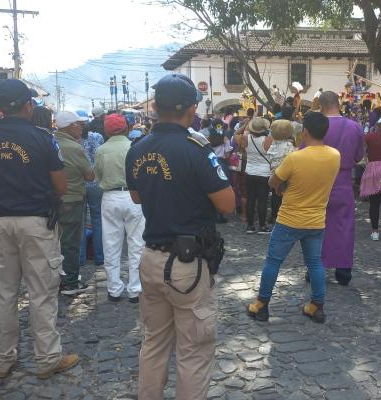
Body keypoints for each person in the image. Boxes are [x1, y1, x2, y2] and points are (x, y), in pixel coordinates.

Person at [125, 73, 234, 400]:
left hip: (151, 258)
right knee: (193, 350)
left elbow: (136, 198)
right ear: (191, 109)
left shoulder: (137, 147)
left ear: (155, 107)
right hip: (188, 265)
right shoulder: (196, 148)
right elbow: (227, 204)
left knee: (154, 343)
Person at [0, 79, 79, 380]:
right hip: (35, 223)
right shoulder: (43, 138)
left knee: (3, 293)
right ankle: (47, 360)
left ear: (0, 107)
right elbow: (60, 185)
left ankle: (2, 361)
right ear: (28, 105)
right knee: (42, 293)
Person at [247, 112, 340, 323]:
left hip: (289, 219)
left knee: (273, 261)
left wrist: (282, 186)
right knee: (315, 263)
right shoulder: (335, 155)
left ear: (305, 131)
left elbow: (273, 181)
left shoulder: (295, 158)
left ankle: (261, 305)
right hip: (316, 220)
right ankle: (316, 306)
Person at [94, 114, 143, 303]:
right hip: (133, 197)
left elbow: (98, 175)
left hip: (110, 197)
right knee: (136, 244)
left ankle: (114, 289)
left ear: (106, 131)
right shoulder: (134, 147)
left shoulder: (101, 150)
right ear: (127, 128)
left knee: (111, 244)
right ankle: (135, 289)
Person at [318, 91, 364, 286]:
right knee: (344, 226)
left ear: (321, 106)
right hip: (344, 181)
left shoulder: (317, 127)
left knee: (317, 226)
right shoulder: (355, 127)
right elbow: (358, 155)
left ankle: (316, 268)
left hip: (319, 182)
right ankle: (343, 271)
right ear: (338, 104)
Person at [53, 110, 94, 295]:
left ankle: (57, 278)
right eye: (80, 125)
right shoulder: (73, 148)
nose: (82, 128)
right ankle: (70, 282)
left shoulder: (51, 142)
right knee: (70, 243)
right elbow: (89, 175)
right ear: (71, 127)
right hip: (72, 199)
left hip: (52, 200)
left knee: (55, 241)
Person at [235, 116, 273, 234]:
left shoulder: (246, 138)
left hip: (250, 172)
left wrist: (244, 124)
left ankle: (250, 226)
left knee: (251, 199)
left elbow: (236, 134)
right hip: (264, 173)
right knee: (262, 200)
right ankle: (262, 226)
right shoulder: (268, 140)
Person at [79, 114, 106, 269]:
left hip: (80, 183)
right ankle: (99, 257)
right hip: (95, 182)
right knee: (97, 220)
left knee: (81, 222)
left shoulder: (72, 140)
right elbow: (98, 157)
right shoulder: (96, 138)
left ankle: (81, 258)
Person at [266, 119, 295, 223]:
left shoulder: (273, 145)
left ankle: (274, 215)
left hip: (274, 173)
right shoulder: (288, 146)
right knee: (285, 196)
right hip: (286, 174)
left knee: (275, 195)